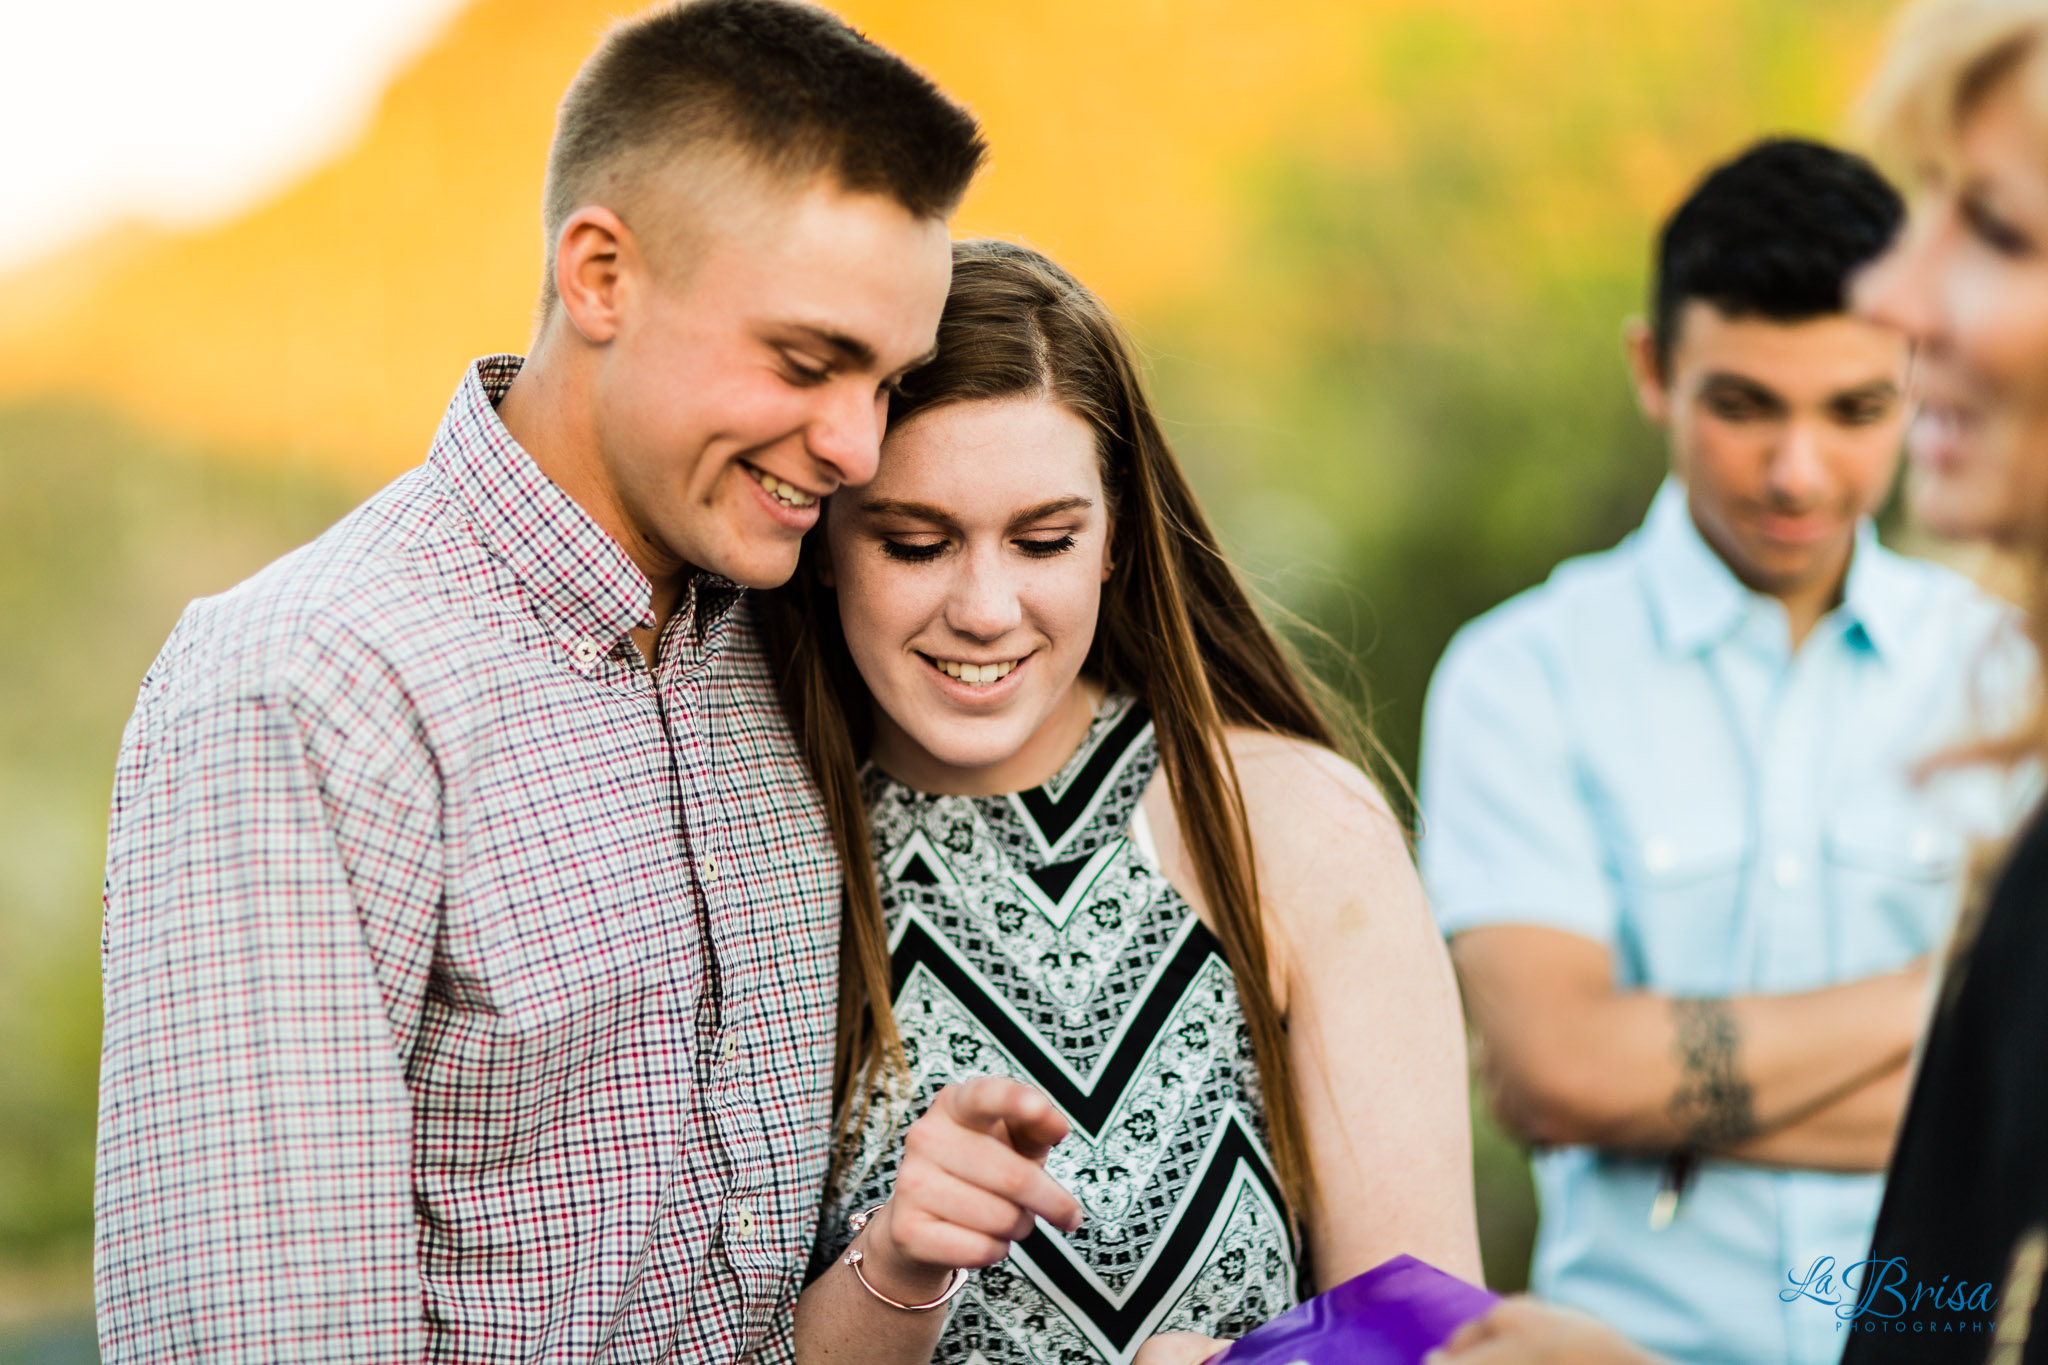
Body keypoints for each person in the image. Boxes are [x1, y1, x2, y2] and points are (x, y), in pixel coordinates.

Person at [93, 3, 985, 1360]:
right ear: (602, 275)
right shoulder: (305, 688)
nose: (859, 446)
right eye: (807, 363)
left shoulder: (783, 632)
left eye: (887, 380)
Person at [759, 239, 1482, 1365]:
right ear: (823, 547)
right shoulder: (760, 846)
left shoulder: (1288, 825)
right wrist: (896, 1264)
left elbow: (1429, 1332)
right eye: (915, 542)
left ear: (1114, 543)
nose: (986, 607)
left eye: (1043, 540)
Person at [1416, 137, 2028, 1365]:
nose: (1796, 472)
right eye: (1743, 405)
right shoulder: (1519, 676)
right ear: (1654, 370)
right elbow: (1558, 1074)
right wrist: (1957, 1000)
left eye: (1856, 410)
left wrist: (1671, 1093)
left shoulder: (2012, 676)